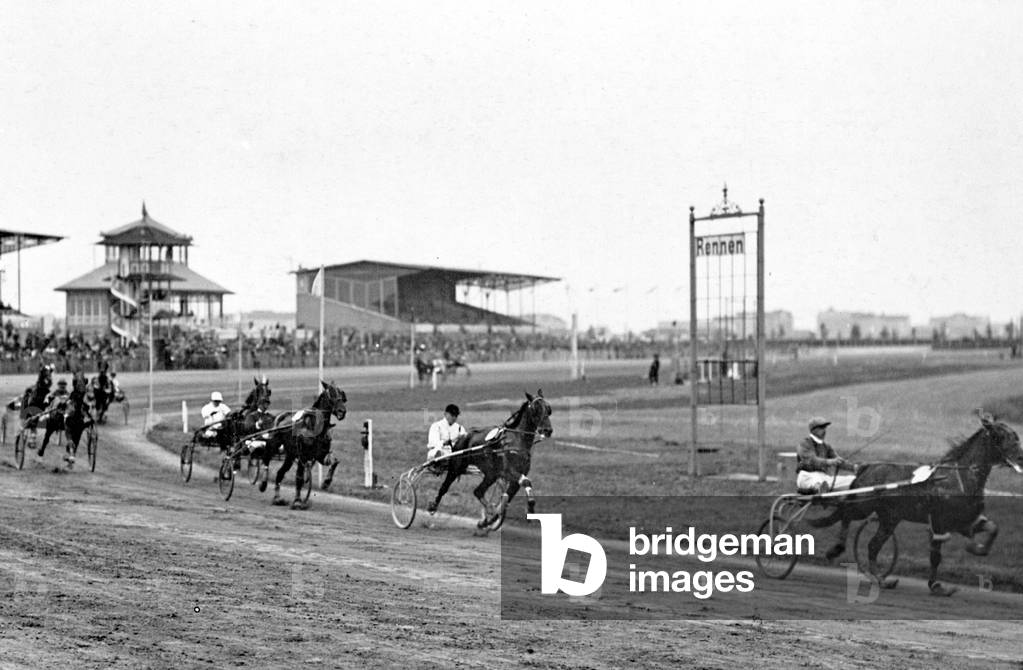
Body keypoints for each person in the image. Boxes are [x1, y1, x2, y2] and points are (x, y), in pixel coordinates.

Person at [796, 417, 858, 493]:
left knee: (852, 479)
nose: (824, 431)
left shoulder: (826, 446)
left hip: (824, 477)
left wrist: (854, 467)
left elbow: (838, 460)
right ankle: (819, 489)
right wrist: (830, 462)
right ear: (813, 430)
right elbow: (812, 460)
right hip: (807, 476)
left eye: (825, 428)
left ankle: (823, 489)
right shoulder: (805, 444)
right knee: (817, 482)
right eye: (821, 428)